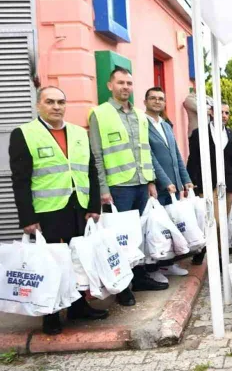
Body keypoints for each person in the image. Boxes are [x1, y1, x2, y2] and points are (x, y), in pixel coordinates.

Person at [10, 86, 108, 335]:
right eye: (50, 102)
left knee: (77, 260)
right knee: (51, 262)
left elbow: (91, 171)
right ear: (38, 105)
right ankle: (50, 314)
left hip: (78, 207)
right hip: (47, 211)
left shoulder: (78, 133)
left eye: (61, 102)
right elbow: (20, 180)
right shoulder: (24, 134)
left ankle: (78, 306)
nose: (56, 106)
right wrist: (27, 218)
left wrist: (93, 206)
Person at [88, 67, 163, 306]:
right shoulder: (99, 114)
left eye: (129, 83)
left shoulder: (140, 115)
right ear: (110, 85)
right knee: (120, 238)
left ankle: (139, 277)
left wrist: (151, 181)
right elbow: (96, 156)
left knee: (139, 235)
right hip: (118, 186)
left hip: (141, 183)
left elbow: (146, 150)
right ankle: (122, 287)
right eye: (120, 83)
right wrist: (103, 189)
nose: (125, 87)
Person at [144, 87, 193, 280]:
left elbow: (177, 155)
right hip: (157, 186)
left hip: (173, 185)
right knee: (157, 229)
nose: (157, 102)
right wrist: (165, 181)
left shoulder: (165, 125)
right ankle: (154, 267)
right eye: (153, 98)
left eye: (161, 99)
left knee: (172, 226)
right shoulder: (143, 124)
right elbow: (150, 157)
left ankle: (169, 263)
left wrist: (186, 179)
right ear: (145, 101)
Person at [187, 99, 232, 266]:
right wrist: (191, 182)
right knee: (213, 221)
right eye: (220, 112)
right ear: (211, 112)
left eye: (227, 113)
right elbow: (193, 159)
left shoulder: (231, 134)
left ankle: (210, 251)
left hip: (228, 184)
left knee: (223, 221)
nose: (224, 116)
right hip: (207, 183)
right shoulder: (199, 133)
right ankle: (216, 256)